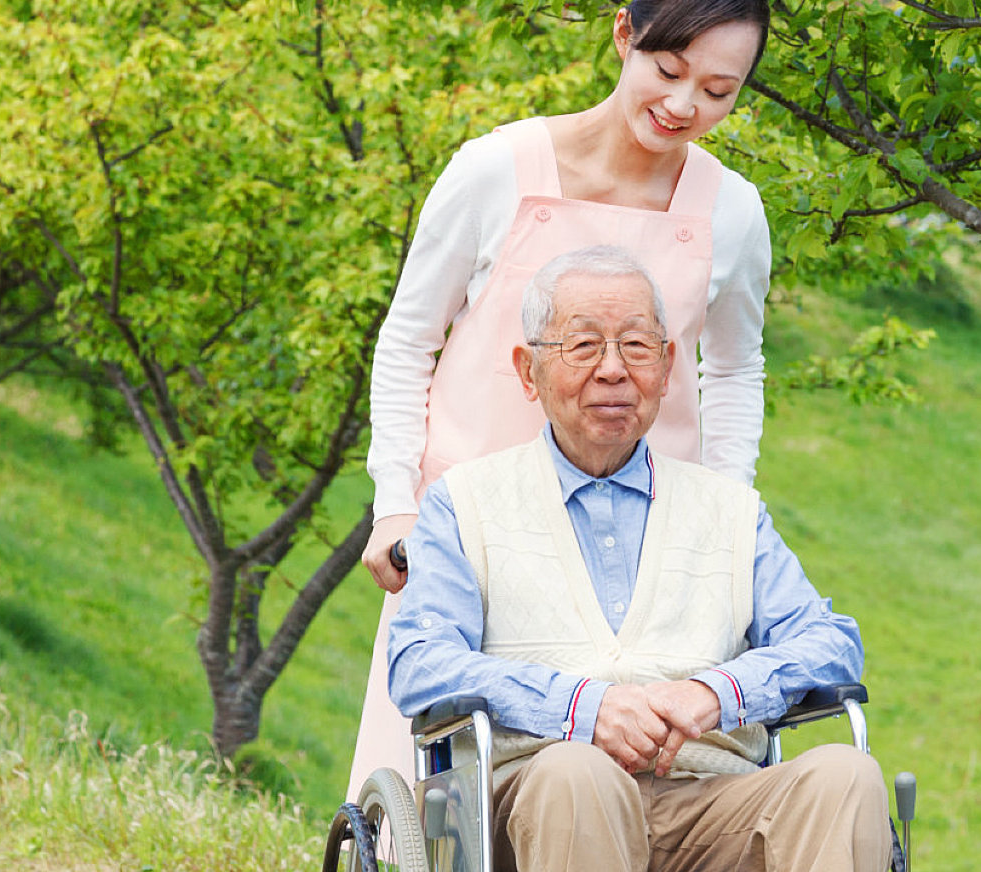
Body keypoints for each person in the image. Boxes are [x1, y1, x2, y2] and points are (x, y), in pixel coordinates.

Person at [348, 0, 775, 797]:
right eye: (669, 71)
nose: (685, 107)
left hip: (639, 543)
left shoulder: (731, 211)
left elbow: (737, 370)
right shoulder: (494, 170)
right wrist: (395, 502)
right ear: (624, 35)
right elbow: (409, 339)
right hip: (472, 532)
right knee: (443, 787)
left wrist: (727, 509)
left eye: (719, 92)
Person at [388, 246, 888, 872]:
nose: (613, 370)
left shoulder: (730, 511)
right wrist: (582, 708)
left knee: (845, 775)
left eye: (637, 347)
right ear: (527, 371)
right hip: (539, 802)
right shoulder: (463, 504)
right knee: (576, 773)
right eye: (584, 346)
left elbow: (830, 642)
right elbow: (421, 662)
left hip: (711, 798)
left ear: (667, 366)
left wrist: (718, 692)